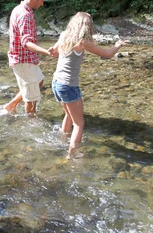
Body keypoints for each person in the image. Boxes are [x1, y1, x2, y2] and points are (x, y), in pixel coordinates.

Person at [50, 12, 125, 159]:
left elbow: (53, 52)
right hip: (69, 86)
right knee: (79, 124)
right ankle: (70, 156)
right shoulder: (82, 42)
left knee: (68, 115)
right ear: (86, 26)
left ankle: (63, 140)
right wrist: (118, 45)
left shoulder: (64, 35)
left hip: (56, 83)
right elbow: (107, 54)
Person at [4, 0, 57, 116]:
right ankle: (30, 123)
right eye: (42, 0)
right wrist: (47, 52)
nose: (42, 4)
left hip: (22, 58)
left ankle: (11, 105)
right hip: (23, 60)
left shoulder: (18, 9)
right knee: (32, 97)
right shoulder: (25, 15)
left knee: (38, 81)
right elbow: (26, 43)